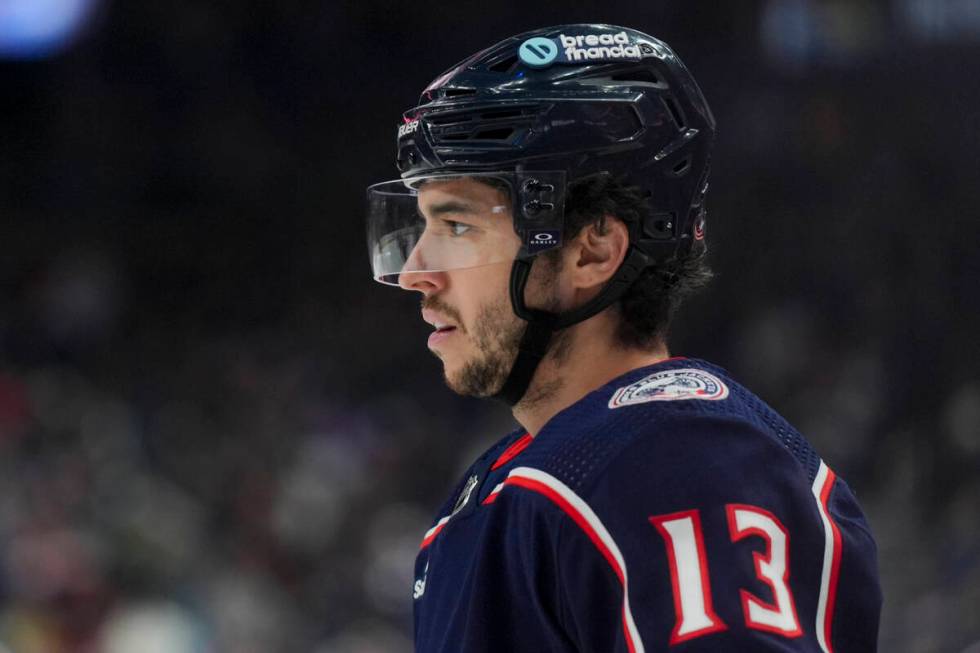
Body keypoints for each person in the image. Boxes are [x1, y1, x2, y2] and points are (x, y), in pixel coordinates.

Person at [366, 24, 881, 652]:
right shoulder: (535, 472)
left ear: (593, 250)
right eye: (423, 224)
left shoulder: (684, 466)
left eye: (457, 223)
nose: (417, 271)